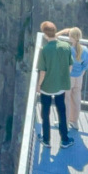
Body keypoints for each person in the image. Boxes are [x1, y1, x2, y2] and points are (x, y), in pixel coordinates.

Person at [36, 21, 74, 149]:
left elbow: (42, 71)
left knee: (45, 113)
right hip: (60, 86)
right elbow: (70, 66)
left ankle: (46, 140)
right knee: (61, 112)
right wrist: (63, 76)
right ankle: (65, 139)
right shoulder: (66, 46)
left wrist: (38, 85)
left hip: (47, 86)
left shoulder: (45, 50)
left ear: (45, 34)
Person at [56, 27, 88, 130]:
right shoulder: (85, 49)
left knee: (66, 100)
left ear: (71, 37)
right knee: (76, 100)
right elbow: (85, 66)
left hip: (68, 77)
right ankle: (74, 122)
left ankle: (64, 123)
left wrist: (63, 31)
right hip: (79, 77)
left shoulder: (67, 49)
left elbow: (53, 37)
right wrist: (80, 75)